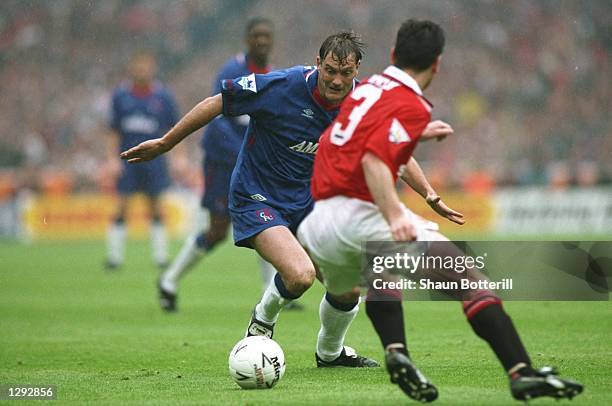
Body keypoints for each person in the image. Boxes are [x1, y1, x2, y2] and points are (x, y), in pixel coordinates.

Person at [297, 19, 583, 402]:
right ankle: (521, 371)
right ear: (438, 64)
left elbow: (363, 135)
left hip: (319, 225)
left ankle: (396, 352)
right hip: (359, 213)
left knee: (378, 274)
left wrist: (413, 134)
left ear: (394, 55)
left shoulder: (373, 87)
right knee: (469, 279)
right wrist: (396, 214)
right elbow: (373, 160)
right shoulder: (411, 102)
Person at [121, 31, 378, 367]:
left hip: (307, 202)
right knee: (299, 275)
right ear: (318, 63)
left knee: (347, 287)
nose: (336, 79)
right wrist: (167, 143)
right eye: (330, 70)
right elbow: (218, 102)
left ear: (357, 70)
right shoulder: (282, 86)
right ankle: (262, 319)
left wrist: (426, 193)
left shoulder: (362, 104)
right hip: (257, 196)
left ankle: (329, 354)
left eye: (345, 73)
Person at [157, 17, 296, 312]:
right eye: (257, 35)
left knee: (270, 219)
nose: (262, 41)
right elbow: (218, 115)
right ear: (247, 40)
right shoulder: (233, 70)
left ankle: (270, 291)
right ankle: (169, 280)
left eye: (267, 36)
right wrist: (243, 153)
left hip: (253, 165)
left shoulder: (273, 75)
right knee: (217, 230)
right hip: (223, 160)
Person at [105, 52, 179, 270]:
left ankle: (161, 258)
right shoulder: (121, 96)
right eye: (138, 67)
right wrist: (111, 159)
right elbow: (113, 131)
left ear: (153, 68)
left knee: (156, 207)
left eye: (146, 67)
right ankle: (114, 259)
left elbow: (174, 128)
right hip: (127, 159)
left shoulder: (163, 96)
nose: (142, 71)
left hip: (154, 160)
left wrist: (179, 158)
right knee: (121, 206)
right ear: (132, 68)